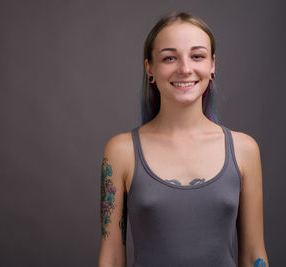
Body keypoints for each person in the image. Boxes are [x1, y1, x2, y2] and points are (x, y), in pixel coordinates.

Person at [98, 12, 269, 267]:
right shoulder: (121, 151)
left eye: (197, 56)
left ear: (212, 65)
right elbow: (110, 258)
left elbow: (253, 253)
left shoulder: (244, 149)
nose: (185, 68)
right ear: (150, 69)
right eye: (169, 58)